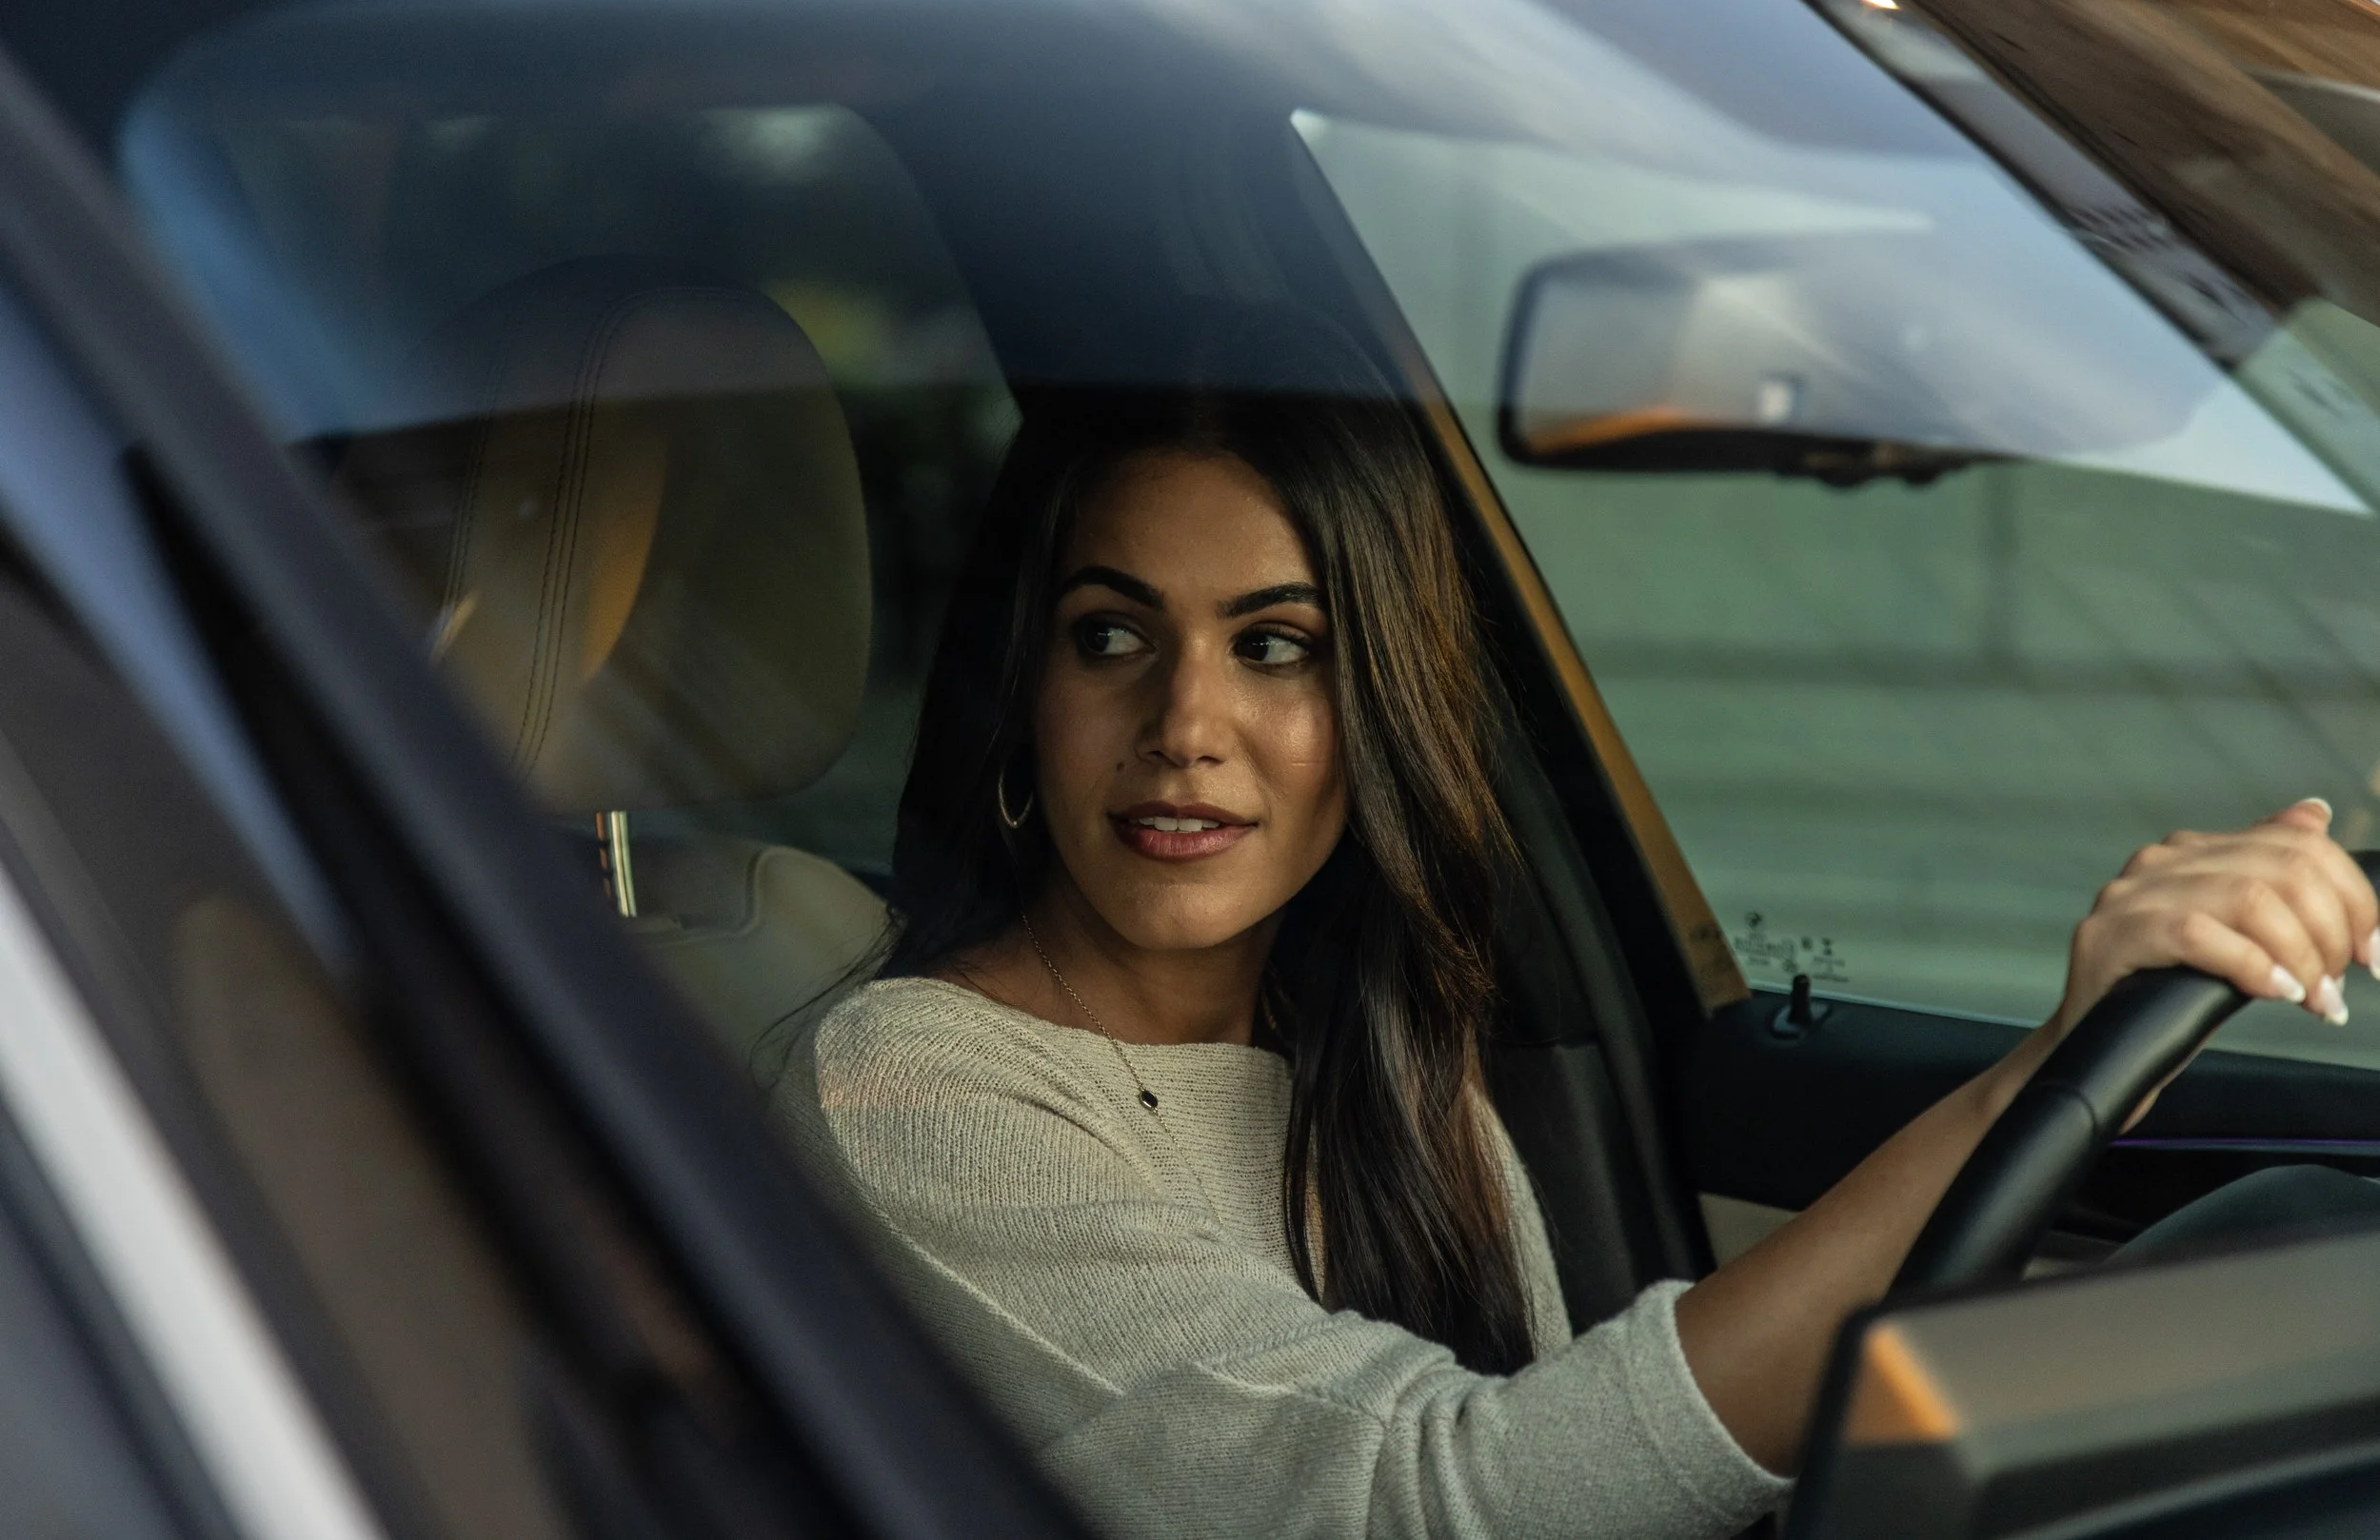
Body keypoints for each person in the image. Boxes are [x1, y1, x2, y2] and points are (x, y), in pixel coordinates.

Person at [770, 323, 2380, 1540]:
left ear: (1380, 704)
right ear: (1025, 695)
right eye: (1112, 634)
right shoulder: (911, 1093)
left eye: (1280, 647)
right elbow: (1441, 1494)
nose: (1186, 722)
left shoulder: (1375, 1046)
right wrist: (2035, 1074)